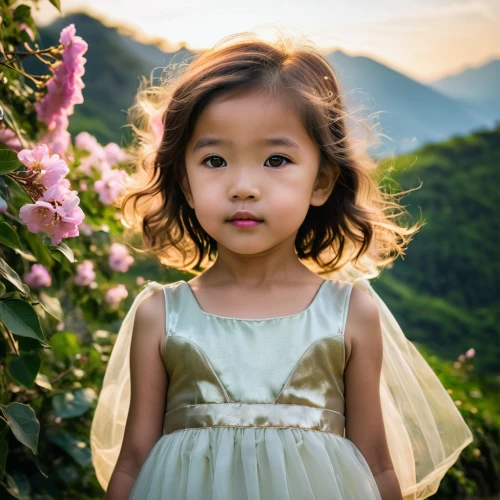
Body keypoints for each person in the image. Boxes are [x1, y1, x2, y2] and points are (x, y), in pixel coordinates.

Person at [90, 31, 473, 500]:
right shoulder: (160, 316)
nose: (244, 186)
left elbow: (376, 464)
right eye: (214, 160)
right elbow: (132, 465)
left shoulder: (349, 314)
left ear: (322, 181)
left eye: (276, 159)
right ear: (186, 185)